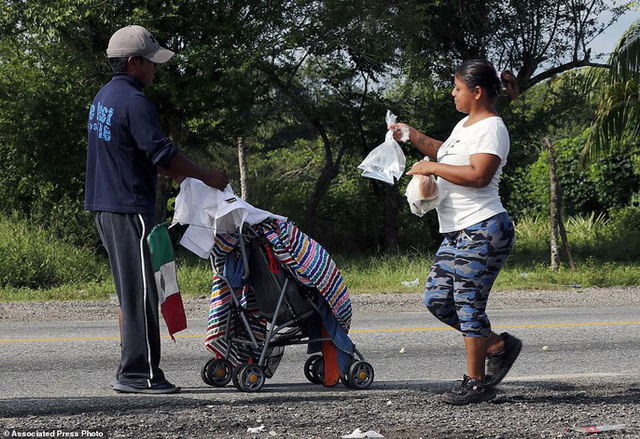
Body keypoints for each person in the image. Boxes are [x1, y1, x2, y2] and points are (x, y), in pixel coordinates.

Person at [85, 25, 229, 394]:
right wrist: (206, 175)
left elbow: (139, 153)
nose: (155, 69)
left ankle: (130, 369)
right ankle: (139, 374)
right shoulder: (134, 101)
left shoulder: (105, 96)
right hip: (130, 207)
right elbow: (162, 152)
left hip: (106, 206)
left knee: (131, 292)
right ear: (133, 63)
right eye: (151, 63)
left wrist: (178, 175)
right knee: (144, 292)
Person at [392, 59, 522, 405]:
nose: (453, 93)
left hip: (483, 227)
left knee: (468, 305)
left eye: (458, 88)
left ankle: (476, 382)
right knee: (437, 299)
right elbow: (446, 153)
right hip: (457, 232)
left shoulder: (492, 128)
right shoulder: (465, 125)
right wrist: (412, 136)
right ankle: (498, 346)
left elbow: (479, 174)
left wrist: (432, 167)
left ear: (477, 92)